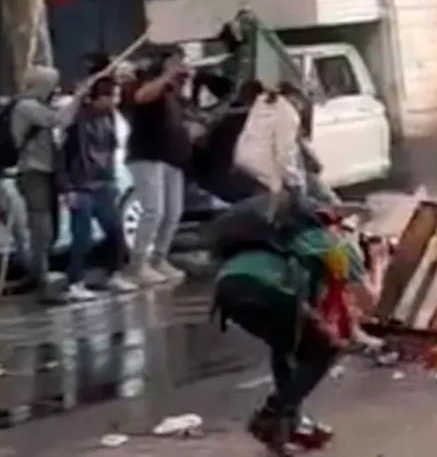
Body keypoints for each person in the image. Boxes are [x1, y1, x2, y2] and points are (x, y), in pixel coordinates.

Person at [210, 198, 382, 455]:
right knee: (326, 349)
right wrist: (379, 261)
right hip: (267, 287)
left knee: (286, 346)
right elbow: (370, 301)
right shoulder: (335, 246)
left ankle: (289, 426)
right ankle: (273, 414)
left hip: (228, 287)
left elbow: (310, 300)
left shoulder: (287, 236)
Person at [11, 65, 89, 304]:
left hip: (47, 172)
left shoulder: (36, 106)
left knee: (49, 228)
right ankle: (41, 282)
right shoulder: (26, 107)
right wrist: (78, 97)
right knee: (41, 227)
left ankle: (39, 275)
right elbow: (58, 120)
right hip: (33, 172)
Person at [60, 77, 137, 300]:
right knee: (81, 236)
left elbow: (115, 145)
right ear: (98, 97)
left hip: (104, 180)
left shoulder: (111, 118)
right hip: (81, 183)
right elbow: (65, 152)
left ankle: (113, 273)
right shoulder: (78, 119)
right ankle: (75, 281)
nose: (114, 101)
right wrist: (67, 187)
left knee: (114, 230)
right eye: (110, 97)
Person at [120, 46, 191, 285]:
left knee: (173, 212)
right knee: (153, 210)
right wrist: (166, 76)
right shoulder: (148, 85)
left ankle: (159, 257)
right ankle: (137, 263)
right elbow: (141, 97)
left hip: (171, 156)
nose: (181, 65)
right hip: (147, 154)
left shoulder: (172, 91)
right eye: (176, 61)